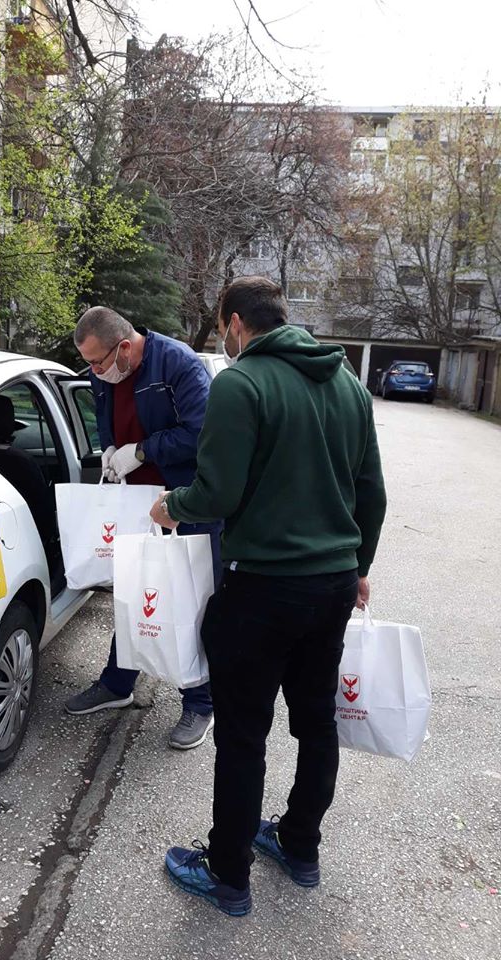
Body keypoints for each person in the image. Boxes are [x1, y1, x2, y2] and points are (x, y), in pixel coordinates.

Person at [151, 276, 387, 916]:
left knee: (243, 733)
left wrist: (172, 505)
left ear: (234, 322)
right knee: (316, 722)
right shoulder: (348, 385)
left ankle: (228, 874)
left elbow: (218, 493)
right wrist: (358, 565)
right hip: (332, 588)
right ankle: (299, 846)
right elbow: (372, 493)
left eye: (223, 329)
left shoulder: (242, 383)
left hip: (261, 590)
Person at [64, 306, 222, 751]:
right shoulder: (104, 373)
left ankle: (200, 702)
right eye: (89, 365)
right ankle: (117, 684)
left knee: (191, 599)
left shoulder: (178, 364)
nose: (94, 373)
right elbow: (104, 413)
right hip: (135, 501)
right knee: (134, 592)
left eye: (98, 363)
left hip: (185, 500)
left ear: (125, 347)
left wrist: (142, 451)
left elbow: (202, 433)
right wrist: (110, 448)